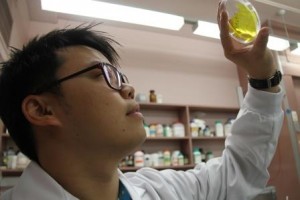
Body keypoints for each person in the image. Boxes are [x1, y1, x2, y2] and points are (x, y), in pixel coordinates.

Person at [0, 2, 284, 200]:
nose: (129, 89)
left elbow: (238, 171)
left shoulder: (163, 191)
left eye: (123, 78)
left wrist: (263, 77)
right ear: (41, 109)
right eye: (105, 75)